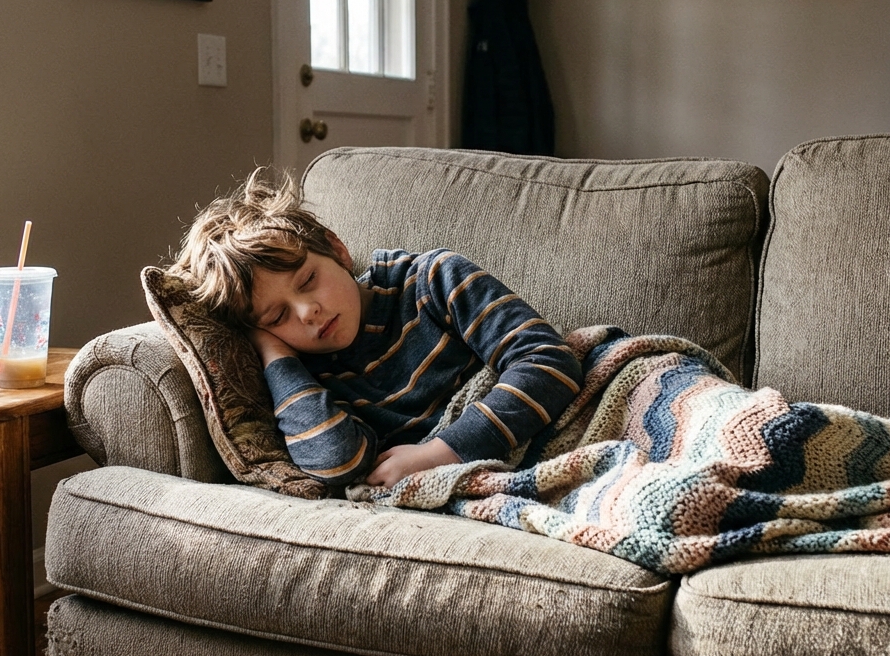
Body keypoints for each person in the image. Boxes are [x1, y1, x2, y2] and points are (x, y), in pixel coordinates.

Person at [169, 168, 583, 488]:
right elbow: (335, 461)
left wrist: (439, 454)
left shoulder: (432, 280)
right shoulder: (313, 375)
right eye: (278, 317)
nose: (308, 311)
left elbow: (549, 361)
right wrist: (276, 356)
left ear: (337, 250)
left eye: (308, 280)